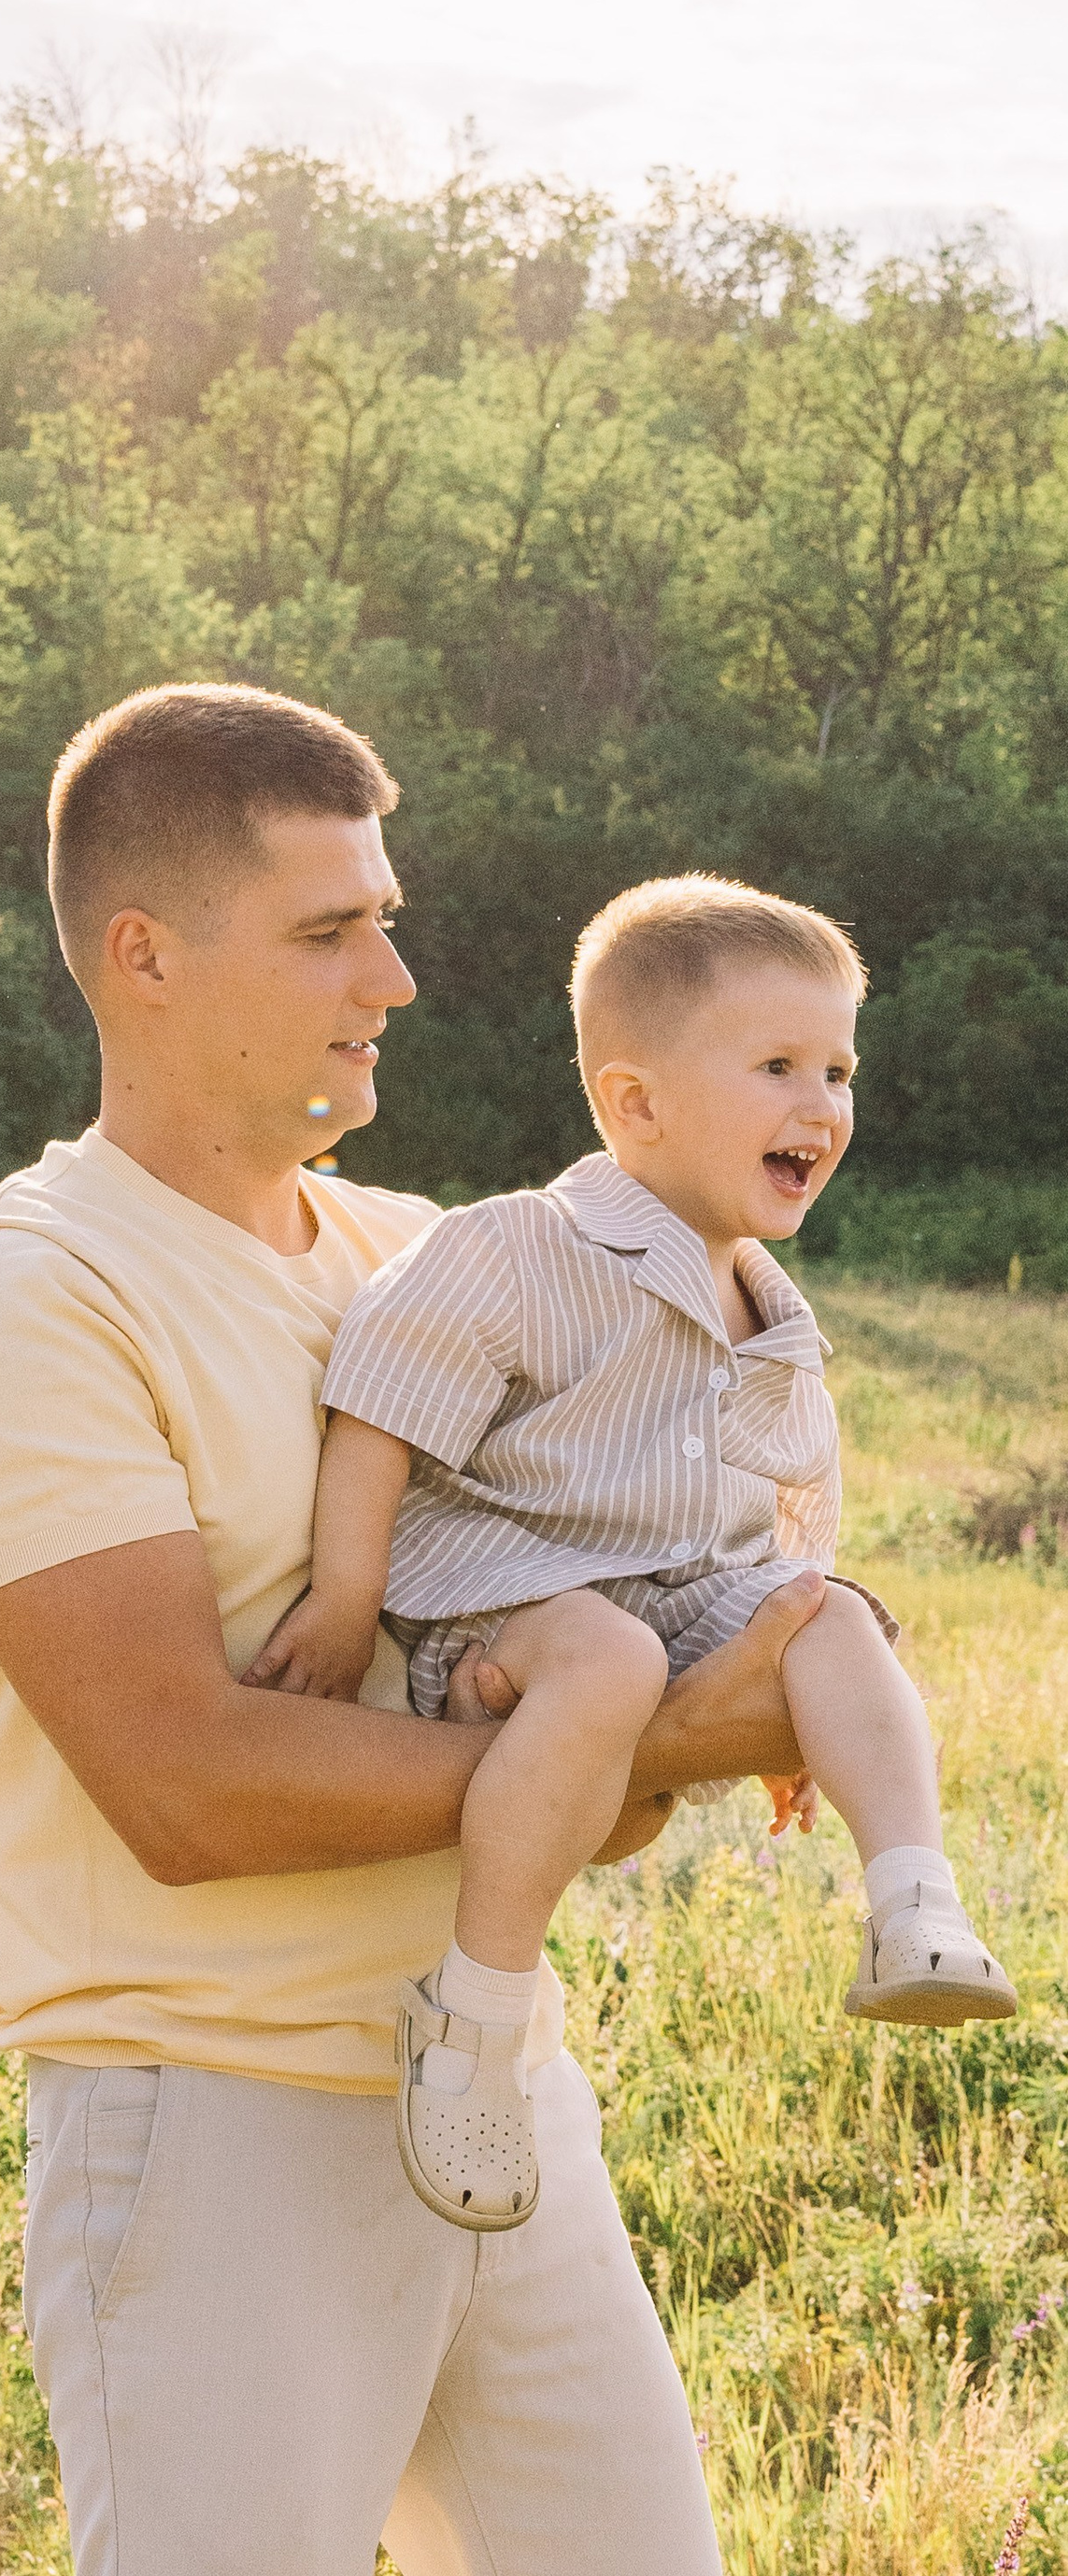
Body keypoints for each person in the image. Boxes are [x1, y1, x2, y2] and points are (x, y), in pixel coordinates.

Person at [0, 688, 822, 2576]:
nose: (392, 978)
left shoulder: (436, 1262)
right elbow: (185, 1786)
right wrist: (632, 1744)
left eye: (386, 920)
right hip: (215, 2135)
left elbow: (619, 1691)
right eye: (328, 931)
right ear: (144, 956)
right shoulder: (31, 1300)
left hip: (498, 2091)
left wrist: (743, 1675)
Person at [248, 875, 1014, 2240]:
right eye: (778, 1068)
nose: (822, 1104)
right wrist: (348, 1598)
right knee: (605, 1658)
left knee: (838, 1616)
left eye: (838, 1071)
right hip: (507, 1593)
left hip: (681, 1599)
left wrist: (792, 1693)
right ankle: (473, 2016)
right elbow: (382, 1404)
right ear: (637, 1102)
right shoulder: (520, 1246)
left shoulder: (770, 1308)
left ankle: (912, 1898)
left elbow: (785, 1518)